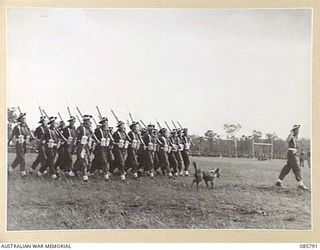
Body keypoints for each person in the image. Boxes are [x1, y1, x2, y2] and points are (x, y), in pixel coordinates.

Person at [275, 125, 309, 190]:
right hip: (291, 153)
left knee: (287, 168)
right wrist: (291, 133)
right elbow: (287, 140)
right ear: (294, 130)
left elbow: (295, 147)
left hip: (293, 153)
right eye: (297, 130)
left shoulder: (296, 138)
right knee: (297, 168)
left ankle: (278, 182)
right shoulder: (292, 136)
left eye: (298, 130)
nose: (298, 131)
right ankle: (300, 184)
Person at [8, 112, 34, 177]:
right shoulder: (17, 127)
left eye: (25, 118)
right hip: (19, 144)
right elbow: (12, 135)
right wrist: (8, 142)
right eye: (23, 118)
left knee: (18, 159)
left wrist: (29, 129)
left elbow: (30, 136)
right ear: (20, 119)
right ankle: (23, 174)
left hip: (24, 144)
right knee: (22, 159)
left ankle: (9, 170)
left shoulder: (26, 127)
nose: (24, 119)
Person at [71, 115, 95, 182]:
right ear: (85, 121)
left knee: (83, 160)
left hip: (87, 147)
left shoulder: (89, 129)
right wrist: (72, 147)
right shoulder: (80, 128)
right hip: (81, 146)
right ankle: (85, 176)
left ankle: (73, 171)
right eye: (88, 121)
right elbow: (75, 137)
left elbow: (91, 138)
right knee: (84, 161)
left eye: (89, 121)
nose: (89, 122)